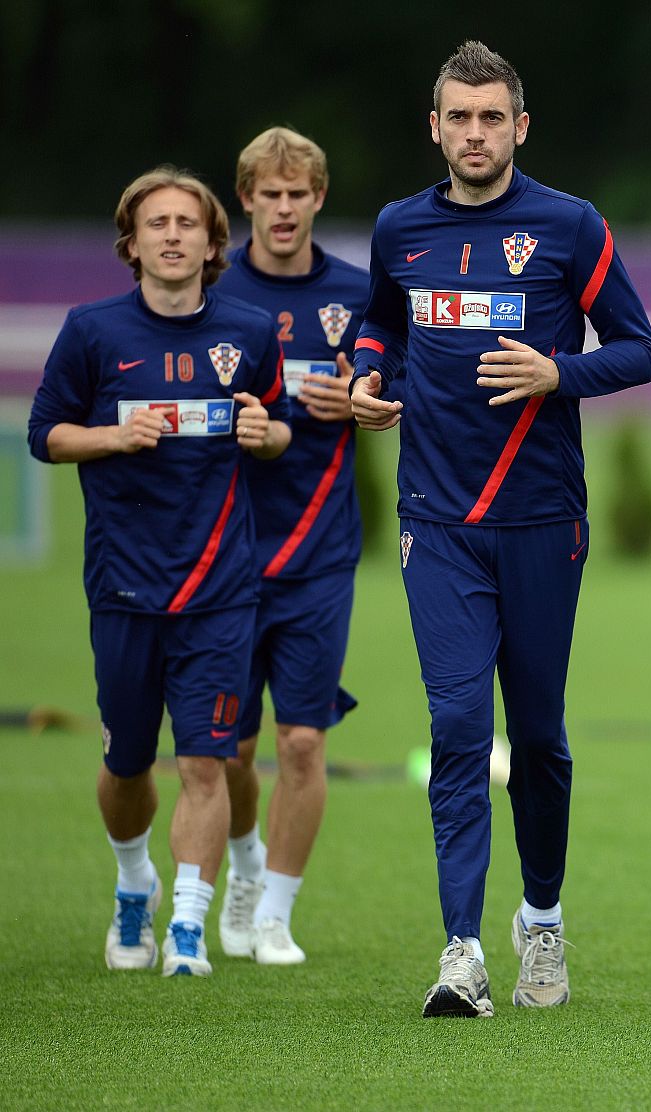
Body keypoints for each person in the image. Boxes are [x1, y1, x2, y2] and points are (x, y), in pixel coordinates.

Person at [350, 40, 651, 1018]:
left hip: (539, 521)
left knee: (539, 739)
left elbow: (641, 350)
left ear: (520, 126)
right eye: (458, 116)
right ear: (433, 125)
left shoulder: (569, 226)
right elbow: (379, 327)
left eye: (493, 117)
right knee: (453, 726)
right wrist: (368, 378)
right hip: (435, 521)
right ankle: (462, 952)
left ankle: (544, 917)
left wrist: (559, 373)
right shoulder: (400, 228)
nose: (475, 133)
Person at [27, 166, 291, 977]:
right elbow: (46, 435)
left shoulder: (248, 333)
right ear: (131, 242)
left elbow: (278, 429)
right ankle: (134, 884)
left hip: (220, 589)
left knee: (206, 761)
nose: (172, 236)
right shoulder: (91, 331)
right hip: (125, 587)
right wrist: (113, 436)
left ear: (215, 243)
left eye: (188, 224)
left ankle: (186, 928)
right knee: (126, 765)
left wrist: (265, 433)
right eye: (156, 224)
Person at [212, 127, 369, 965]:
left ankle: (275, 910)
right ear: (245, 200)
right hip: (223, 555)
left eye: (296, 193)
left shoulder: (356, 294)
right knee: (228, 748)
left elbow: (401, 385)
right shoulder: (210, 293)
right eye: (267, 194)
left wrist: (364, 397)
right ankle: (241, 866)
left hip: (320, 550)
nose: (282, 208)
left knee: (302, 741)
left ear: (318, 198)